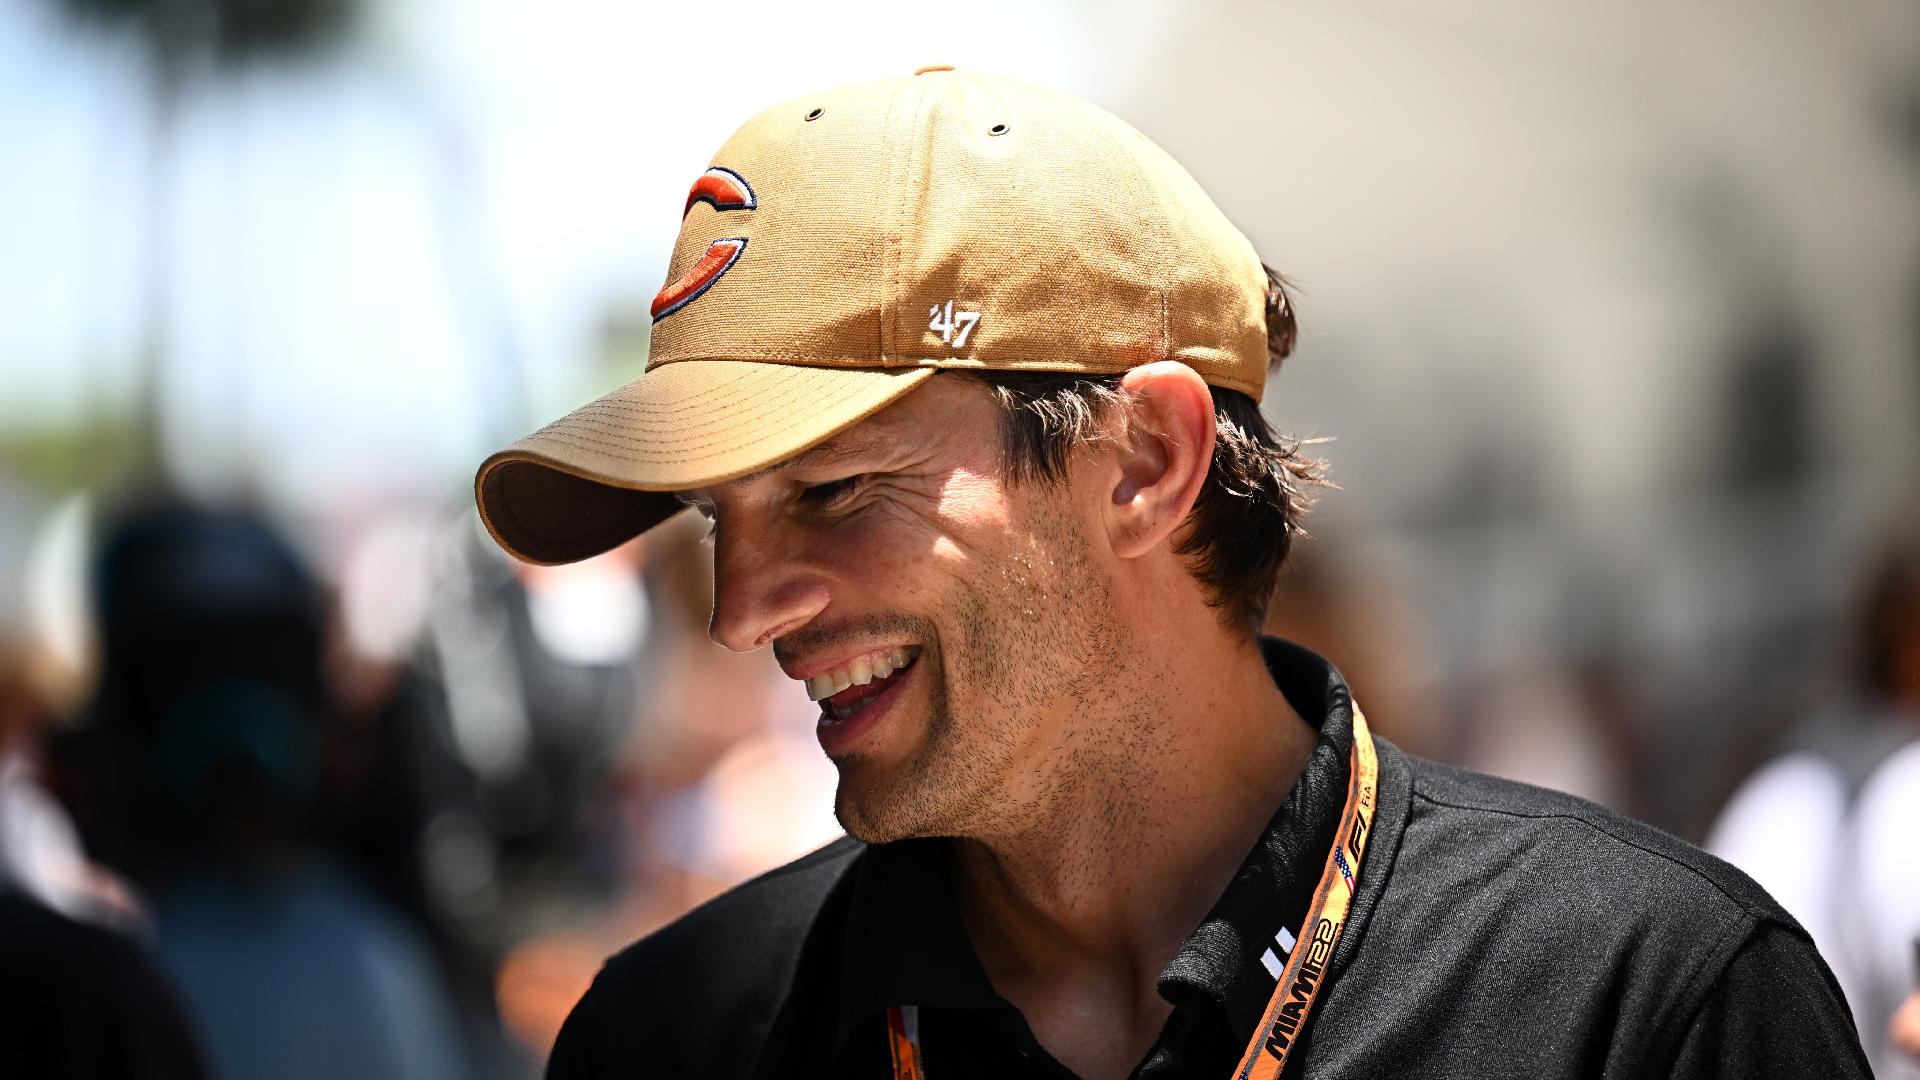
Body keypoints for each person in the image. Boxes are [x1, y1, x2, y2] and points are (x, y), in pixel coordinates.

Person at [474, 69, 1869, 1079]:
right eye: (720, 522)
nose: (741, 611)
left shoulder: (1643, 1003)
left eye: (835, 491)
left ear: (1145, 460)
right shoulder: (676, 1039)